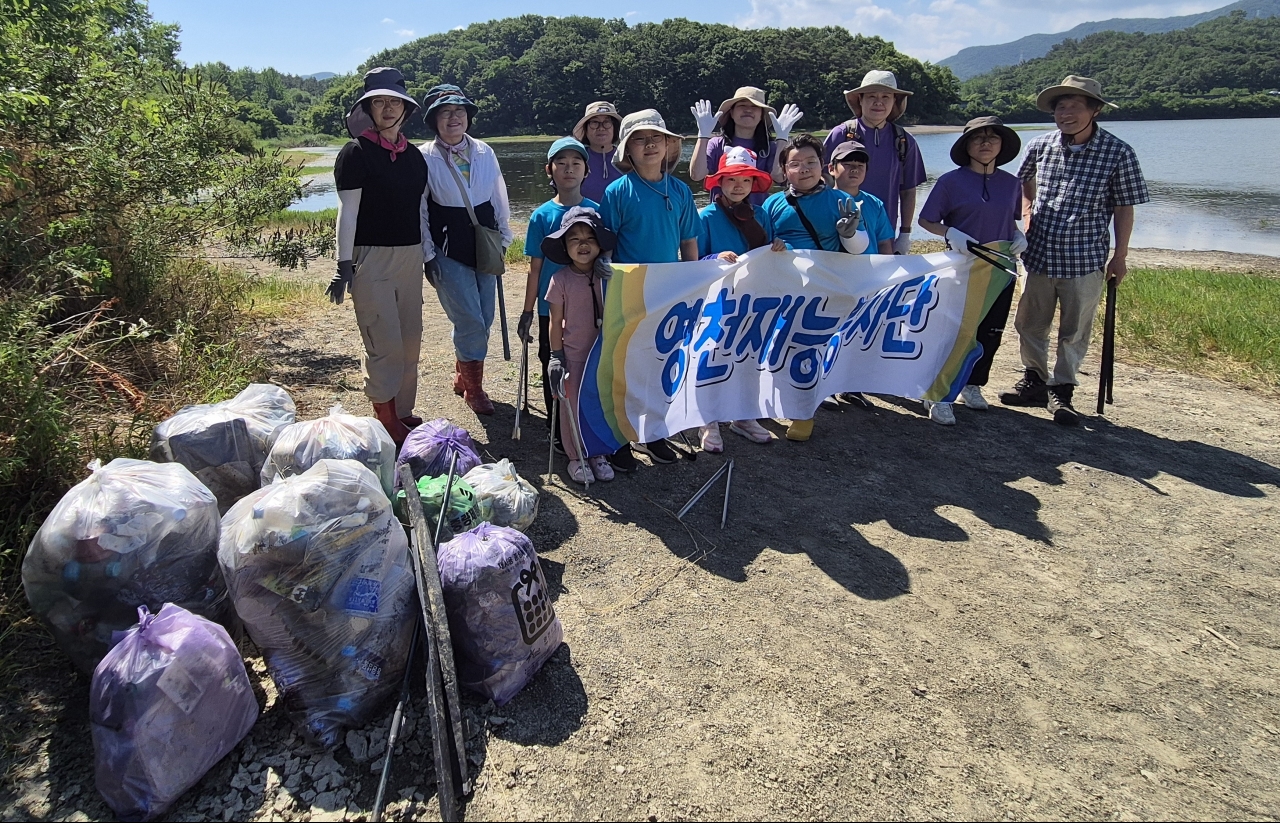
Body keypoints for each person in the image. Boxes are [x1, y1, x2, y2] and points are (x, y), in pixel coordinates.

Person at [1001, 76, 1148, 426]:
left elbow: (1125, 207)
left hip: (1085, 258)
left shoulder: (1118, 152)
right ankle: (1035, 381)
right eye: (1060, 107)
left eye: (1074, 107)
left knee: (1075, 330)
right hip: (1039, 253)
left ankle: (1062, 388)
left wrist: (1121, 255)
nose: (1066, 114)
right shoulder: (1040, 145)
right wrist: (1026, 213)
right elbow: (1022, 181)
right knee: (1029, 324)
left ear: (1094, 110)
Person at [327, 67, 429, 445]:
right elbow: (347, 212)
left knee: (411, 338)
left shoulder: (415, 157)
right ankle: (385, 418)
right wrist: (343, 265)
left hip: (410, 255)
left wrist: (429, 256)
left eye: (394, 102)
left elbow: (420, 211)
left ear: (405, 109)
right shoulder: (356, 153)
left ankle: (402, 413)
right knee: (383, 340)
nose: (388, 108)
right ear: (368, 108)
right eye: (379, 102)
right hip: (370, 258)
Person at [600, 109, 701, 469]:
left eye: (656, 138)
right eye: (639, 139)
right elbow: (607, 249)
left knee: (662, 364)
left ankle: (655, 433)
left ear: (669, 145)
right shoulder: (617, 191)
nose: (649, 145)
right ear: (627, 149)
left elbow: (689, 244)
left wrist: (693, 286)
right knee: (625, 366)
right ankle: (618, 437)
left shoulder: (680, 191)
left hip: (669, 292)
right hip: (628, 293)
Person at [918, 116, 1028, 425]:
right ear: (967, 145)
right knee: (959, 331)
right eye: (978, 138)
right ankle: (938, 394)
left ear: (1001, 145)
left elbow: (1011, 218)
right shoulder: (951, 182)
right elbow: (927, 221)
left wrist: (1018, 235)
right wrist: (950, 232)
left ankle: (973, 384)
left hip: (1002, 270)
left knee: (991, 331)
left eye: (993, 138)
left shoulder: (1011, 183)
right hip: (964, 268)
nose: (985, 143)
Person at [762, 133, 870, 442]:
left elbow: (859, 249)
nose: (805, 169)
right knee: (779, 349)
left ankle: (803, 413)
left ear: (823, 165)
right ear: (784, 170)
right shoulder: (773, 204)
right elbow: (760, 247)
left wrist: (850, 234)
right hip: (785, 292)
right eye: (795, 163)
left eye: (811, 162)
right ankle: (781, 401)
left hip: (828, 292)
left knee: (813, 351)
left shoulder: (841, 201)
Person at [419, 84, 514, 416]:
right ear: (434, 120)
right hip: (447, 246)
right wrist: (427, 254)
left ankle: (463, 374)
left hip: (485, 243)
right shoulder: (423, 156)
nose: (454, 117)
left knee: (485, 315)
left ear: (468, 116)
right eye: (445, 112)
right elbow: (421, 209)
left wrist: (504, 237)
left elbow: (498, 195)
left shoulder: (485, 152)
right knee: (470, 319)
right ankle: (474, 389)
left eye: (459, 111)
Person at [694, 145, 788, 453]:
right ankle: (707, 419)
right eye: (732, 178)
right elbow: (691, 260)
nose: (739, 185)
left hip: (753, 299)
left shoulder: (760, 215)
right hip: (717, 301)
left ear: (753, 184)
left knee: (749, 356)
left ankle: (744, 415)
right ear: (719, 181)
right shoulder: (705, 216)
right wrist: (714, 257)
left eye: (746, 179)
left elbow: (769, 256)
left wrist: (777, 246)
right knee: (711, 354)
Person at [517, 137, 597, 453]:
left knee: (588, 364)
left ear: (586, 171)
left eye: (576, 163)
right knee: (553, 364)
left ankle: (588, 424)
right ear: (549, 170)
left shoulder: (597, 211)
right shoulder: (540, 216)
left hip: (590, 307)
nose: (568, 169)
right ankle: (556, 428)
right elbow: (535, 269)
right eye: (561, 163)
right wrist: (527, 312)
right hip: (552, 309)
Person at [542, 207, 618, 484]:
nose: (583, 244)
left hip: (603, 356)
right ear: (564, 245)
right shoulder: (559, 279)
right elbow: (555, 321)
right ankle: (576, 456)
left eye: (590, 238)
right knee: (571, 407)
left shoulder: (611, 276)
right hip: (573, 356)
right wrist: (555, 356)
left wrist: (609, 270)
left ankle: (598, 453)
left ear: (600, 244)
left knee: (599, 404)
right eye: (574, 239)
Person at [822, 71, 926, 256]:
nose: (879, 102)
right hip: (837, 229)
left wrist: (904, 234)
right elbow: (821, 180)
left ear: (894, 101)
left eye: (886, 96)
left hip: (883, 233)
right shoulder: (841, 133)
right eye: (871, 96)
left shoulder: (904, 141)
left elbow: (908, 190)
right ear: (860, 100)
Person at [688, 87, 803, 206]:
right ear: (731, 113)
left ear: (761, 115)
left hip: (757, 218)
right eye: (742, 105)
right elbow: (697, 175)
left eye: (754, 107)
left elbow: (779, 177)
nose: (748, 110)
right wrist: (703, 135)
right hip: (721, 216)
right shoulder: (717, 144)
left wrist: (782, 138)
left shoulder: (770, 148)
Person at [827, 141, 895, 255]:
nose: (855, 169)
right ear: (831, 169)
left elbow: (884, 243)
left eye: (860, 165)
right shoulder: (821, 200)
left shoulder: (875, 203)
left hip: (869, 269)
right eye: (848, 164)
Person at [572, 101, 625, 204]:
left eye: (607, 122)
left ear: (615, 128)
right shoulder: (576, 159)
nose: (601, 128)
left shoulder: (627, 158)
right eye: (594, 123)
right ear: (585, 129)